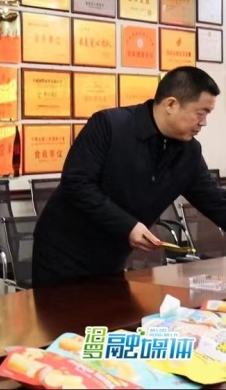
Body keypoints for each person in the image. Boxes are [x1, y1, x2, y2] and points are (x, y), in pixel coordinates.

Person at [33, 66, 226, 287]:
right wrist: (128, 226)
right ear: (171, 104)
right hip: (63, 252)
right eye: (201, 113)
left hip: (111, 258)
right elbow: (77, 184)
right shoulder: (109, 125)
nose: (203, 123)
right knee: (62, 310)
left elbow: (215, 202)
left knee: (109, 310)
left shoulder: (188, 152)